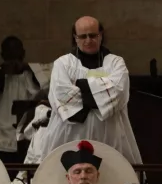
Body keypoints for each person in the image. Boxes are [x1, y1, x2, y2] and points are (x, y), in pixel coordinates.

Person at [32, 17, 139, 165]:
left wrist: (80, 85)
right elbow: (62, 97)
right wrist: (100, 91)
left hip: (109, 134)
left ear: (100, 35)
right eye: (83, 36)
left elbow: (118, 94)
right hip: (69, 134)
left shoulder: (115, 63)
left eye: (93, 35)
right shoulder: (63, 63)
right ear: (75, 38)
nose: (88, 40)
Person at [0, 37, 52, 165]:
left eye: (16, 52)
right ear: (3, 55)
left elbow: (52, 73)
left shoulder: (32, 75)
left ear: (23, 53)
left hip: (24, 136)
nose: (13, 57)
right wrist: (3, 71)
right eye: (9, 53)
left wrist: (26, 67)